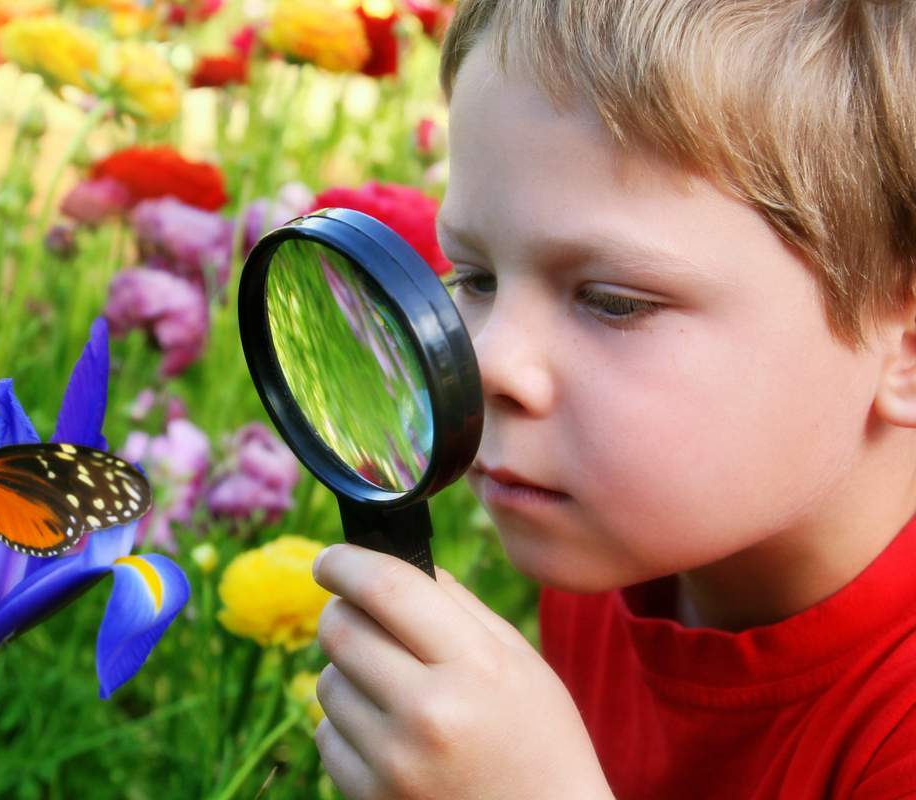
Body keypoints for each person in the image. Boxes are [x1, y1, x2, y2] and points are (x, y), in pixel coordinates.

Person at [310, 1, 916, 797]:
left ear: (904, 351)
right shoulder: (610, 558)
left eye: (614, 301)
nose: (487, 361)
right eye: (475, 278)